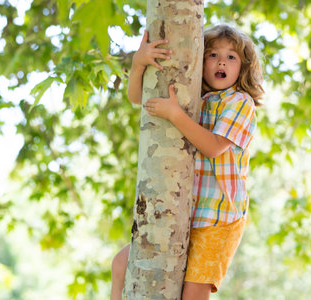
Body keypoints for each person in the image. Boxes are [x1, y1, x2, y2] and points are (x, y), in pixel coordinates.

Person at [111, 24, 264, 300]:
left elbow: (214, 146)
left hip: (219, 218)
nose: (221, 61)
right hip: (181, 214)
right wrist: (138, 64)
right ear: (199, 61)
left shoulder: (240, 102)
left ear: (242, 68)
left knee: (193, 294)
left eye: (231, 57)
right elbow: (138, 98)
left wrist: (175, 115)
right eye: (213, 54)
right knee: (121, 264)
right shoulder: (195, 97)